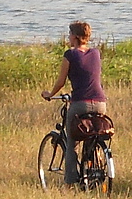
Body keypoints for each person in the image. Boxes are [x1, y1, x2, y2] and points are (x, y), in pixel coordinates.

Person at [42, 21, 107, 186]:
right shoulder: (96, 53)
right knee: (93, 136)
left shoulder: (70, 55)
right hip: (100, 103)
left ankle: (70, 184)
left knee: (72, 144)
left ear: (76, 37)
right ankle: (94, 170)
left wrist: (50, 94)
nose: (68, 37)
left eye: (70, 34)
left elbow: (61, 82)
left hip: (80, 104)